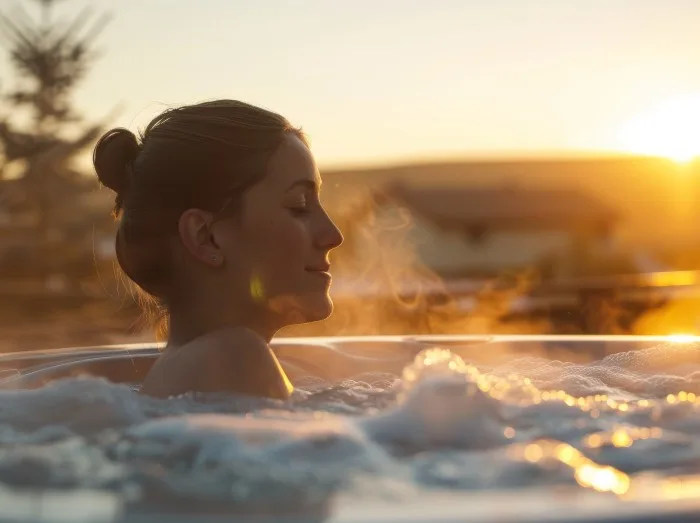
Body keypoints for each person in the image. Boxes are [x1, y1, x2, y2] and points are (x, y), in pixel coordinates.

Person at [93, 100, 344, 399]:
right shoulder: (233, 358)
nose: (333, 235)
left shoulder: (190, 369)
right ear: (206, 238)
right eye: (299, 206)